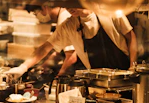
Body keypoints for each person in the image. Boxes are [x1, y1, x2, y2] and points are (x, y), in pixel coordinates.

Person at [7, 8, 137, 79]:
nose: (68, 8)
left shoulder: (110, 12)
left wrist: (132, 67)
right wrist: (23, 67)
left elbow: (131, 37)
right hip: (97, 83)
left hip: (125, 78)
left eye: (71, 2)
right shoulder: (69, 25)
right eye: (65, 5)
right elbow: (45, 47)